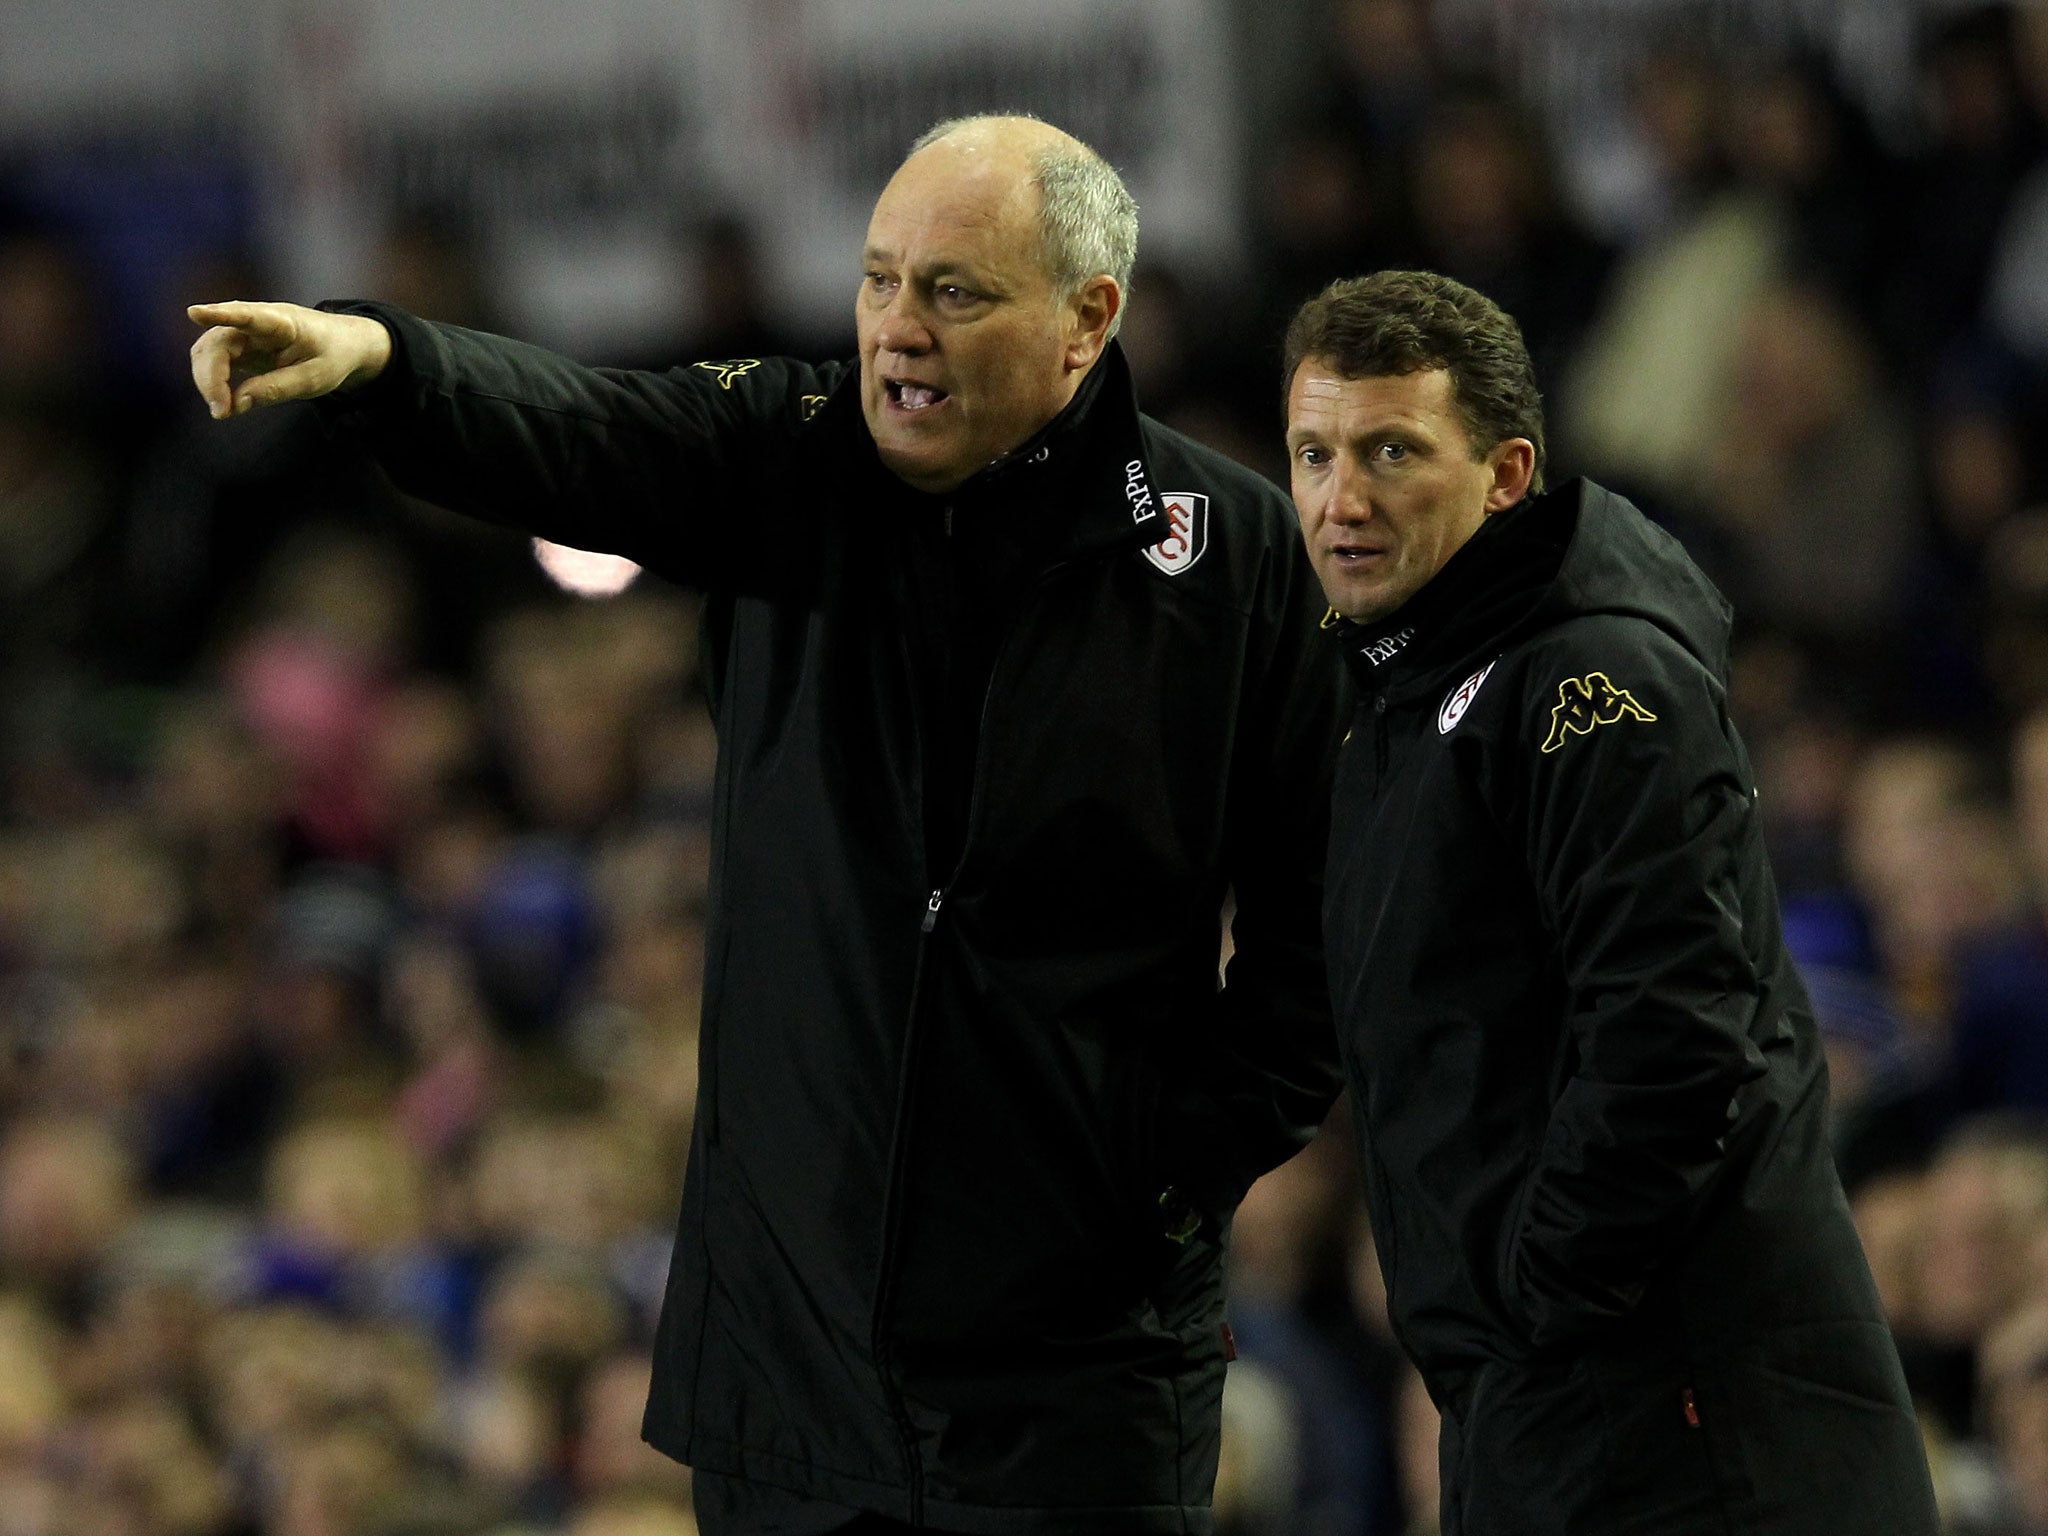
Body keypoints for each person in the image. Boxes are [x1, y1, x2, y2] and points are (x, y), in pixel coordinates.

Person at [188, 116, 1345, 1534]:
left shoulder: (1235, 562)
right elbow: (584, 430)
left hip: (1079, 1378)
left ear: (1086, 319)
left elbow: (1319, 936)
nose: (896, 331)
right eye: (878, 280)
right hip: (792, 1369)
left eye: (953, 291)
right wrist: (386, 360)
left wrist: (1169, 1172)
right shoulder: (784, 453)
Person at [1280, 269, 1938, 1535]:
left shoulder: (1591, 680)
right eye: (1312, 453)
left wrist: (1532, 1301)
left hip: (1681, 1417)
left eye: (1389, 452)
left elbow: (1675, 1034)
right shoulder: (1395, 702)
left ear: (1507, 472)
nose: (1338, 499)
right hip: (1543, 1408)